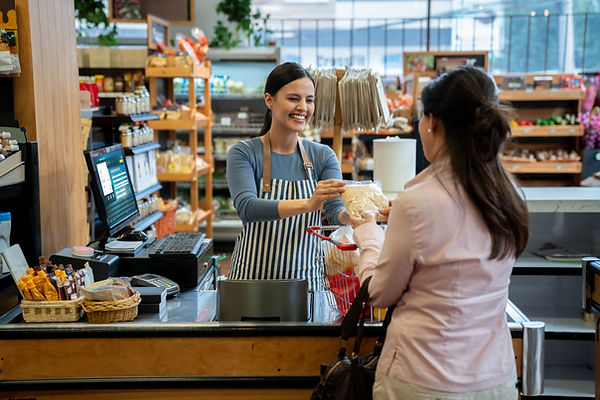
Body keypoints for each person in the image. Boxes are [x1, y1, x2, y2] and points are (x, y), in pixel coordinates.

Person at [350, 66, 529, 399]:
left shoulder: (416, 201)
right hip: (495, 379)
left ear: (432, 121)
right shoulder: (510, 196)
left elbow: (380, 293)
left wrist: (368, 234)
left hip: (423, 378)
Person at [226, 62, 350, 290]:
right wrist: (310, 203)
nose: (303, 107)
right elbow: (248, 209)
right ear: (269, 100)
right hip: (251, 283)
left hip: (306, 283)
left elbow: (334, 213)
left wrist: (358, 216)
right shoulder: (243, 153)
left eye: (309, 100)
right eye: (294, 98)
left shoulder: (323, 156)